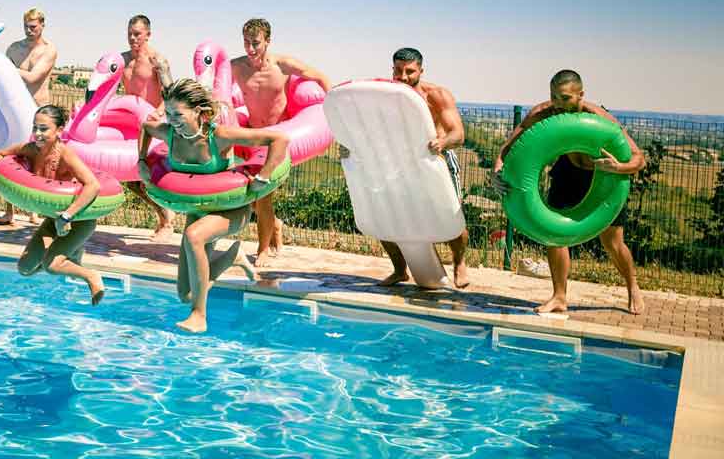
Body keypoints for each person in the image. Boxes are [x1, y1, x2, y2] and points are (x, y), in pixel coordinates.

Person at [139, 78, 289, 333]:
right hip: (197, 208)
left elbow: (279, 140)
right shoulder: (169, 133)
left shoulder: (218, 136)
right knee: (185, 294)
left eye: (178, 114)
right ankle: (232, 256)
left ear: (199, 112)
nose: (172, 119)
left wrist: (263, 177)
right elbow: (145, 127)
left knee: (193, 235)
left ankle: (199, 316)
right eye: (169, 113)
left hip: (230, 210)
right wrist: (141, 159)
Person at [491, 70, 647, 315]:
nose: (558, 104)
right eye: (554, 97)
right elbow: (508, 149)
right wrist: (497, 171)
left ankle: (632, 287)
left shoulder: (598, 118)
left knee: (613, 242)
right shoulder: (543, 113)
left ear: (580, 95)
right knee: (555, 233)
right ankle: (559, 297)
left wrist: (619, 167)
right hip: (568, 172)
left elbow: (639, 159)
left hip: (602, 175)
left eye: (564, 98)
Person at [339, 48, 471, 288]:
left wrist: (442, 142)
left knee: (450, 213)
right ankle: (400, 270)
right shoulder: (385, 96)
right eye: (398, 71)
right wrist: (353, 146)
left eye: (410, 71)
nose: (403, 77)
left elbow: (458, 134)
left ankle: (459, 263)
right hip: (398, 163)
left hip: (435, 161)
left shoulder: (437, 95)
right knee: (384, 215)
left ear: (421, 70)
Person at [230, 18, 331, 266]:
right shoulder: (236, 67)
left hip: (279, 139)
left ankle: (262, 249)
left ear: (267, 41)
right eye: (246, 43)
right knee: (253, 198)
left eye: (256, 43)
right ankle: (275, 225)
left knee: (262, 195)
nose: (250, 49)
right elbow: (212, 86)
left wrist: (334, 107)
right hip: (252, 136)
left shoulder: (283, 65)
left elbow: (319, 77)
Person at [0, 105, 107, 305]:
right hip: (53, 218)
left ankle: (91, 276)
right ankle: (71, 253)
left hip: (79, 219)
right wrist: (8, 185)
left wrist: (67, 216)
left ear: (59, 130)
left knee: (52, 265)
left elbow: (93, 185)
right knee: (25, 268)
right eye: (35, 127)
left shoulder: (65, 155)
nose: (37, 133)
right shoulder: (29, 149)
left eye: (44, 129)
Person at [0, 8, 59, 225]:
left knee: (39, 162)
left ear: (42, 25)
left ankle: (34, 211)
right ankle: (9, 211)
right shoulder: (14, 48)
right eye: (26, 26)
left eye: (33, 26)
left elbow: (33, 78)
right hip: (14, 110)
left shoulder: (49, 50)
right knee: (10, 157)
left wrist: (7, 68)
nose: (29, 31)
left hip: (39, 111)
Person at [119, 14, 177, 240]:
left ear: (148, 35)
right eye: (130, 34)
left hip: (153, 125)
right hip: (130, 125)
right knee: (132, 182)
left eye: (137, 34)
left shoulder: (157, 60)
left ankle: (166, 221)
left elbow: (170, 92)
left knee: (148, 178)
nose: (133, 38)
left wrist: (160, 112)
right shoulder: (123, 60)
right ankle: (165, 216)